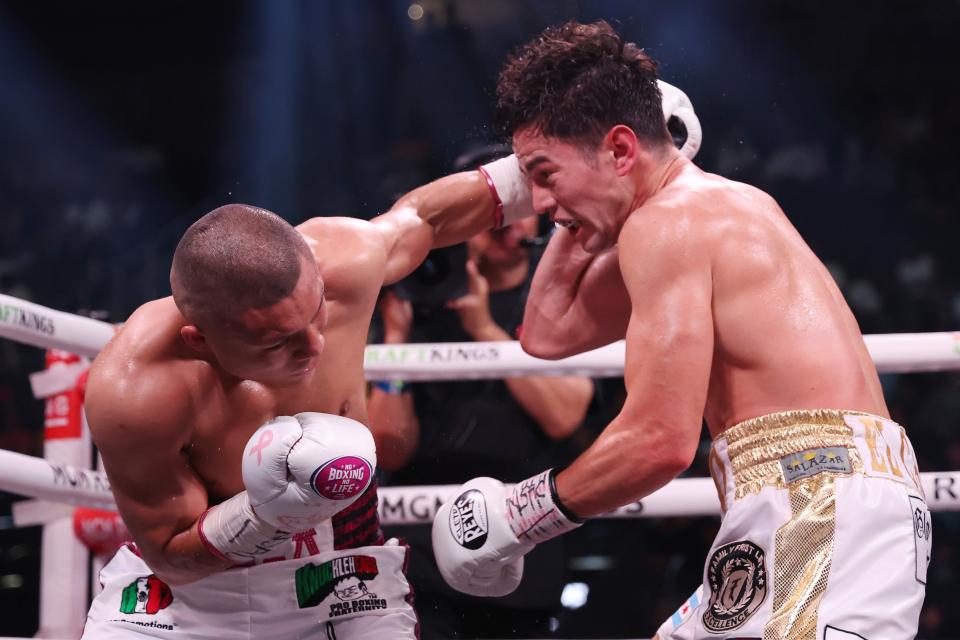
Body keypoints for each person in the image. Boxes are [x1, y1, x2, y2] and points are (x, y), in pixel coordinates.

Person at [430, 20, 930, 640]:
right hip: (824, 499)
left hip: (816, 505)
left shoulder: (667, 227)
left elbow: (658, 442)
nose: (538, 207)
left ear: (619, 150)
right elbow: (547, 332)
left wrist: (520, 515)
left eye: (543, 175)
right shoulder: (715, 209)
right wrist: (555, 186)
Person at [368, 211, 594, 637]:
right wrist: (395, 344)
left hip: (522, 538)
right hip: (417, 552)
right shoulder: (418, 300)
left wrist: (484, 329)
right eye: (493, 217)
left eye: (519, 215)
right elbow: (389, 447)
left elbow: (565, 416)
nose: (508, 226)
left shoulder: (557, 300)